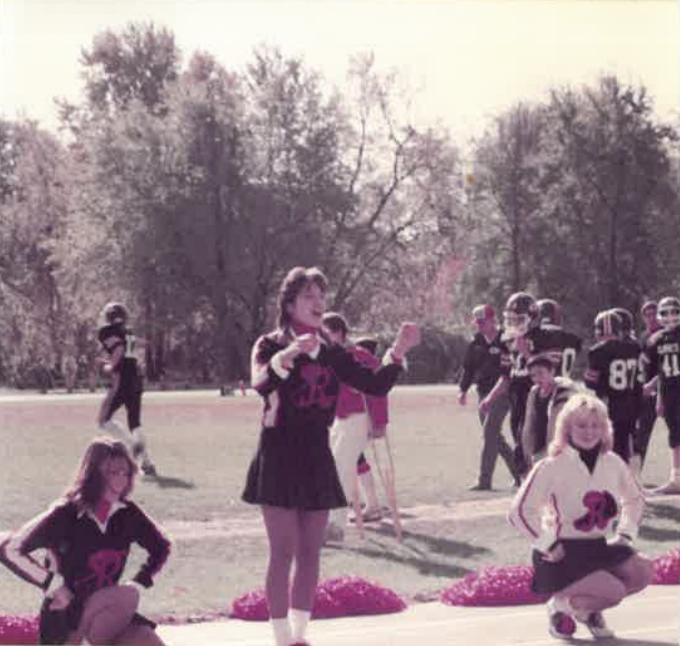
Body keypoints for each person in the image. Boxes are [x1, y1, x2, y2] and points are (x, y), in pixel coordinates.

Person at [242, 266, 420, 646]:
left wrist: (398, 351)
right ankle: (281, 639)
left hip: (316, 454)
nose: (318, 303)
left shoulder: (332, 351)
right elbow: (260, 383)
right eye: (309, 296)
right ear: (289, 304)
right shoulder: (269, 344)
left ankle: (301, 637)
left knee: (311, 551)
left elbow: (374, 384)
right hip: (278, 453)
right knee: (283, 550)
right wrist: (286, 357)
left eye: (322, 296)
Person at [0, 437, 171, 645]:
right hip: (64, 617)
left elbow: (162, 547)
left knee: (148, 641)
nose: (121, 479)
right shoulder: (65, 514)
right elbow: (9, 548)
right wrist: (53, 584)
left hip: (106, 615)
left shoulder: (128, 514)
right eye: (112, 472)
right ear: (94, 473)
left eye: (125, 472)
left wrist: (138, 582)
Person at [508, 393, 652, 640]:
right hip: (560, 553)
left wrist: (625, 534)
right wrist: (547, 544)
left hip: (597, 547)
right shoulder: (551, 465)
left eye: (596, 425)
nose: (589, 432)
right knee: (614, 591)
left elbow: (636, 499)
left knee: (642, 572)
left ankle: (586, 610)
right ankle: (559, 607)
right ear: (566, 428)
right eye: (582, 425)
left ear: (605, 428)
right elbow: (519, 511)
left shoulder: (613, 462)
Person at [321, 313, 392, 542]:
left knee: (341, 468)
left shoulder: (359, 356)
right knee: (333, 467)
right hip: (339, 421)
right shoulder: (326, 357)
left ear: (339, 332)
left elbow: (379, 390)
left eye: (327, 332)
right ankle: (331, 520)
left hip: (359, 419)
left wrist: (380, 422)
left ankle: (334, 526)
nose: (322, 337)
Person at [458, 304, 517, 490]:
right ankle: (520, 472)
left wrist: (492, 397)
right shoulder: (475, 342)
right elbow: (468, 368)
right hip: (483, 392)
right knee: (495, 437)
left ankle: (484, 481)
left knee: (489, 433)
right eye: (477, 322)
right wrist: (463, 390)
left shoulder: (506, 339)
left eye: (483, 321)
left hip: (504, 391)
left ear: (493, 319)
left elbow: (508, 374)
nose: (479, 325)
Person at [97, 302, 157, 476]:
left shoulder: (106, 331)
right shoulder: (127, 331)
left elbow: (119, 349)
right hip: (136, 378)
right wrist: (109, 361)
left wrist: (110, 366)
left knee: (103, 419)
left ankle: (132, 445)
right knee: (135, 422)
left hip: (122, 379)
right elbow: (134, 347)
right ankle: (147, 463)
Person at [584, 310, 643, 465]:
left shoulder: (597, 351)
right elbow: (639, 379)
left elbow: (590, 382)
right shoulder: (634, 348)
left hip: (609, 403)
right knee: (624, 447)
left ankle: (611, 482)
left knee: (607, 447)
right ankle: (624, 479)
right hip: (630, 404)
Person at [643, 296, 680, 494]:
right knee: (675, 433)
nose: (670, 316)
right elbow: (662, 370)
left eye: (674, 311)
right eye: (665, 313)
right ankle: (676, 479)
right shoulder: (656, 340)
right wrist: (658, 394)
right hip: (669, 391)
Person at [521, 354, 579, 467]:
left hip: (563, 448)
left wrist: (548, 454)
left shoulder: (564, 391)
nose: (537, 379)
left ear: (552, 371)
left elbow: (557, 428)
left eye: (540, 373)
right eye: (533, 375)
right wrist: (527, 450)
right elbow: (529, 424)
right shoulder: (534, 392)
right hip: (540, 449)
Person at [634, 301, 662, 471]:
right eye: (647, 315)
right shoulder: (643, 337)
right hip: (646, 393)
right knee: (645, 434)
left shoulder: (667, 336)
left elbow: (669, 368)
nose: (651, 318)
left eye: (654, 314)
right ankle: (646, 472)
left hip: (666, 390)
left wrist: (652, 385)